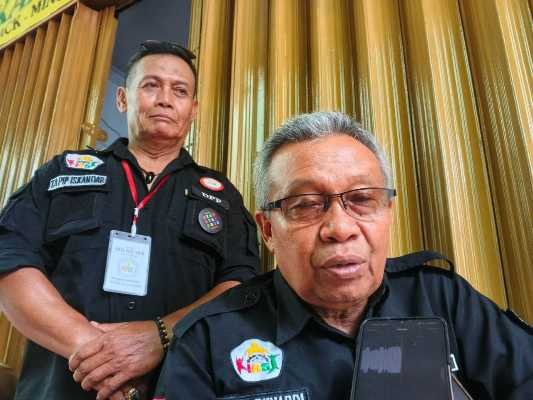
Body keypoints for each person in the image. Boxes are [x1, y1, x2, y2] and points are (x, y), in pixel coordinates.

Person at [153, 111, 533, 400]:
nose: (340, 227)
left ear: (388, 213)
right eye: (305, 204)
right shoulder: (207, 340)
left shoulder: (443, 298)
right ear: (267, 230)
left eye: (362, 199)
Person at [0, 40, 259, 400]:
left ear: (194, 109)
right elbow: (10, 258)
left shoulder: (222, 196)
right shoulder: (61, 172)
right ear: (122, 98)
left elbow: (241, 284)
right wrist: (94, 350)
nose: (165, 99)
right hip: (62, 386)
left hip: (179, 386)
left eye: (180, 91)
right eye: (151, 85)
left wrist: (160, 335)